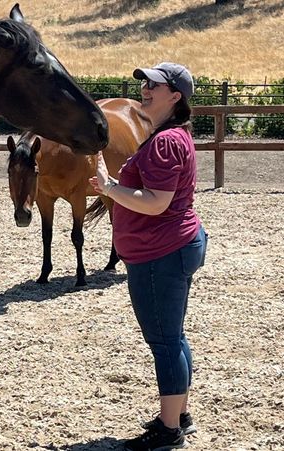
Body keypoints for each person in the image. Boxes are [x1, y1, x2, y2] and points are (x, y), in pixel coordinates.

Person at [90, 62, 208, 451]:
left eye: (154, 85)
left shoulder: (164, 141)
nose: (144, 89)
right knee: (172, 336)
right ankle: (180, 414)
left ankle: (169, 428)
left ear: (175, 97)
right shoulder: (165, 135)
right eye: (144, 83)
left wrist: (109, 188)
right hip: (169, 247)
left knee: (164, 341)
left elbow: (156, 203)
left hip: (161, 253)